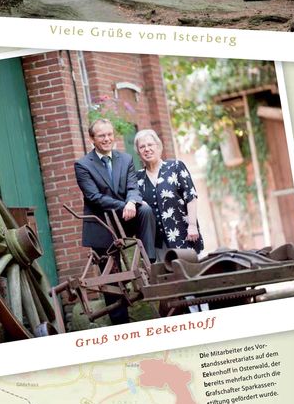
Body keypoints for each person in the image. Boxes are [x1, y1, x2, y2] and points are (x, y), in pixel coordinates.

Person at [73, 120, 156, 324]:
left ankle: (149, 260)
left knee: (144, 209)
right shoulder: (83, 165)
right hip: (102, 226)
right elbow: (94, 197)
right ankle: (120, 324)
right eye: (102, 136)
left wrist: (132, 201)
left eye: (110, 134)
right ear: (92, 139)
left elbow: (133, 187)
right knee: (110, 278)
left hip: (127, 221)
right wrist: (124, 205)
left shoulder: (125, 159)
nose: (107, 139)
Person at [133, 129, 203, 255]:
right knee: (164, 274)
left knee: (189, 272)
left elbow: (191, 197)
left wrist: (192, 225)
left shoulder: (175, 167)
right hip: (157, 243)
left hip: (184, 235)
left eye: (150, 145)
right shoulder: (137, 178)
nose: (147, 149)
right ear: (138, 152)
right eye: (142, 147)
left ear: (159, 147)